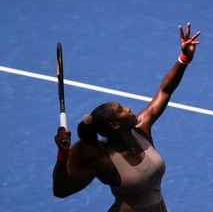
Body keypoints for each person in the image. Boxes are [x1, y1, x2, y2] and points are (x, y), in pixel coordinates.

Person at [53, 22, 200, 212]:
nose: (129, 109)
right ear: (114, 125)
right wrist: (62, 155)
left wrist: (184, 58)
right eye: (121, 109)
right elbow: (61, 191)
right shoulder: (104, 161)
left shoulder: (141, 128)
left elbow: (165, 91)